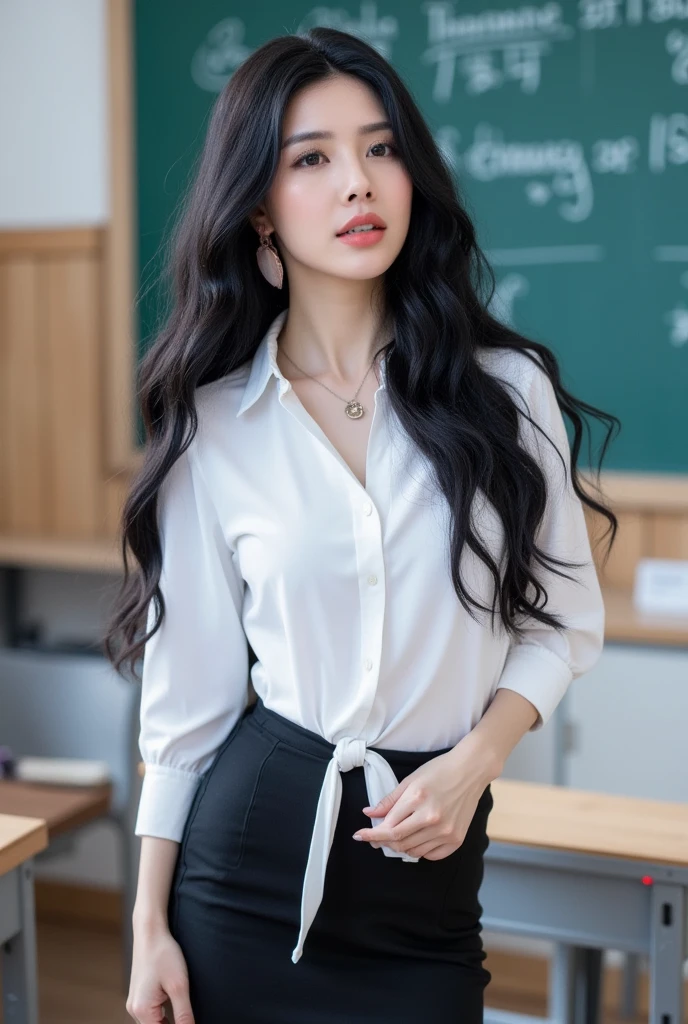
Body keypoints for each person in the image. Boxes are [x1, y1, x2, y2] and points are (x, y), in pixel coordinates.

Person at [104, 25, 619, 1024]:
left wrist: (474, 760)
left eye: (381, 148)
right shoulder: (213, 427)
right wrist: (147, 925)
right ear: (256, 204)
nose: (359, 182)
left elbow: (562, 624)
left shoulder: (505, 393)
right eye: (313, 158)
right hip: (242, 875)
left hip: (426, 901)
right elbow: (188, 709)